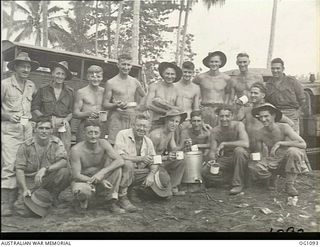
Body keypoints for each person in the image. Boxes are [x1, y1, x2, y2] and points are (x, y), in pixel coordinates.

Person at [1, 52, 39, 216]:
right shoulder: (5, 84)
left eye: (28, 66)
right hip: (10, 130)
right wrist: (8, 115)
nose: (26, 69)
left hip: (27, 131)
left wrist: (34, 121)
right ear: (15, 67)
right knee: (10, 165)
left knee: (25, 165)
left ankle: (20, 200)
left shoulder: (31, 85)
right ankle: (6, 204)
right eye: (22, 66)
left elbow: (33, 106)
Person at [14, 116, 70, 217]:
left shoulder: (56, 142)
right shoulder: (25, 146)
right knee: (22, 209)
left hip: (48, 178)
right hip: (31, 181)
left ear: (52, 130)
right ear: (35, 129)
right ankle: (42, 199)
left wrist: (45, 169)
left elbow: (63, 161)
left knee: (64, 172)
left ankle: (52, 197)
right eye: (41, 128)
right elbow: (19, 169)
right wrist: (24, 188)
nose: (44, 131)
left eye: (47, 128)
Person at [249, 103, 308, 196]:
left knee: (293, 152)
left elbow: (303, 144)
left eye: (266, 116)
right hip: (273, 160)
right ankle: (272, 178)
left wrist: (280, 143)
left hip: (288, 158)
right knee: (253, 166)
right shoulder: (259, 133)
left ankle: (289, 185)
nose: (263, 119)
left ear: (273, 116)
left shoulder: (284, 127)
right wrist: (256, 159)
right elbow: (259, 153)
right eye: (261, 117)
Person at [70, 120, 126, 213]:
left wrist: (102, 172)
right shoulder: (76, 150)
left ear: (100, 133)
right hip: (84, 180)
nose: (93, 136)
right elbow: (76, 175)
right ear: (84, 133)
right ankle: (82, 201)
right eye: (90, 132)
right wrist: (100, 181)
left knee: (117, 169)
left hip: (99, 176)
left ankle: (111, 202)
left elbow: (120, 160)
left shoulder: (103, 143)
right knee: (81, 190)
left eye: (96, 133)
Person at [202, 105, 249, 195]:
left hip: (241, 157)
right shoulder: (215, 131)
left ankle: (237, 184)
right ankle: (229, 179)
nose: (224, 119)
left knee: (239, 151)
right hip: (226, 159)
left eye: (227, 116)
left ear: (232, 116)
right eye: (221, 116)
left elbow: (245, 143)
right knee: (205, 171)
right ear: (218, 116)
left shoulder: (238, 125)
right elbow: (212, 151)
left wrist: (224, 144)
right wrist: (212, 160)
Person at [114, 113, 158, 210]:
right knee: (128, 164)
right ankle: (122, 197)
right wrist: (140, 158)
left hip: (136, 173)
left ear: (148, 128)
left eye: (145, 126)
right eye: (139, 125)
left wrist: (152, 174)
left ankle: (134, 191)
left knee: (158, 172)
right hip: (120, 172)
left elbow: (154, 160)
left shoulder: (148, 141)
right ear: (132, 125)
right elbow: (120, 156)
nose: (142, 129)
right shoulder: (122, 134)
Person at [236, 82, 295, 150]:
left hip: (265, 146)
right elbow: (237, 121)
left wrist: (283, 141)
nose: (252, 95)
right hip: (250, 145)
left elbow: (290, 123)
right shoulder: (247, 109)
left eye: (256, 93)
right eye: (251, 93)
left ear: (263, 95)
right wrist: (239, 106)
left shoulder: (268, 107)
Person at [32, 61, 74, 153]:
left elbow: (71, 112)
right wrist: (45, 120)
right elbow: (35, 107)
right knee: (44, 150)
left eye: (63, 74)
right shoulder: (43, 89)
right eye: (58, 73)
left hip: (63, 125)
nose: (60, 76)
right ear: (52, 73)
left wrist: (65, 120)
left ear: (65, 76)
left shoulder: (70, 92)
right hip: (46, 124)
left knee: (63, 150)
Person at [103, 54, 146, 144]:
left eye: (128, 65)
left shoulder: (135, 81)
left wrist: (138, 108)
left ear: (131, 66)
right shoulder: (111, 82)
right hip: (117, 117)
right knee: (115, 144)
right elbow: (105, 104)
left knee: (131, 143)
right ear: (118, 65)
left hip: (132, 117)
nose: (126, 67)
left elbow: (145, 97)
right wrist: (116, 105)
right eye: (123, 64)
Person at [149, 109, 187, 196]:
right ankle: (166, 189)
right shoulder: (156, 135)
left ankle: (173, 187)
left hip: (161, 161)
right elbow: (149, 158)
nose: (174, 124)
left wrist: (182, 145)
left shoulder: (170, 133)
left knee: (181, 160)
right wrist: (166, 157)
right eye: (172, 121)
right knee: (163, 180)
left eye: (177, 121)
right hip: (152, 164)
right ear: (166, 120)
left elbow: (174, 148)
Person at [265, 58, 306, 134]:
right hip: (276, 114)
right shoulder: (268, 84)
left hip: (291, 114)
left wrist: (298, 113)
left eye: (278, 68)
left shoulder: (292, 81)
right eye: (273, 68)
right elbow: (266, 101)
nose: (275, 71)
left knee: (294, 140)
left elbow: (302, 99)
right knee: (278, 138)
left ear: (283, 69)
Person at [193, 51, 233, 127]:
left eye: (216, 62)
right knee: (205, 132)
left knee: (219, 133)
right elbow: (192, 90)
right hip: (205, 109)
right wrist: (197, 105)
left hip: (220, 110)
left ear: (220, 63)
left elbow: (229, 94)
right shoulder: (200, 77)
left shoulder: (226, 78)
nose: (214, 64)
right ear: (208, 63)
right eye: (211, 62)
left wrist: (225, 108)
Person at [73, 65, 106, 142]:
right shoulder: (81, 92)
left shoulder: (104, 92)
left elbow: (109, 108)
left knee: (99, 150)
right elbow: (75, 113)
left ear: (102, 78)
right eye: (93, 76)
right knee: (83, 150)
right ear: (88, 77)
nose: (96, 79)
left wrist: (104, 114)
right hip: (85, 125)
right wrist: (87, 113)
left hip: (100, 126)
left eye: (98, 76)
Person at [146, 62, 183, 126]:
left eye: (172, 74)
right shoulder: (154, 86)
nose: (169, 76)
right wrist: (166, 112)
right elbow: (148, 104)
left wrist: (164, 104)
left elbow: (180, 109)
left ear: (176, 75)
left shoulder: (178, 90)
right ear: (162, 74)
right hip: (155, 122)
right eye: (167, 74)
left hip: (170, 124)